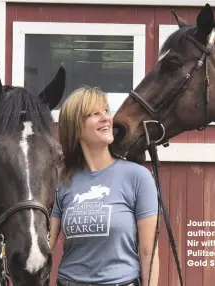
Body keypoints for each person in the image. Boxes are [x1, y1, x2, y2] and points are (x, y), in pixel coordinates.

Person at [49, 86, 160, 286]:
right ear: (75, 128)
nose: (106, 118)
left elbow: (148, 252)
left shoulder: (137, 177)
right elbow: (44, 246)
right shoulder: (62, 180)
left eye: (106, 111)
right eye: (93, 114)